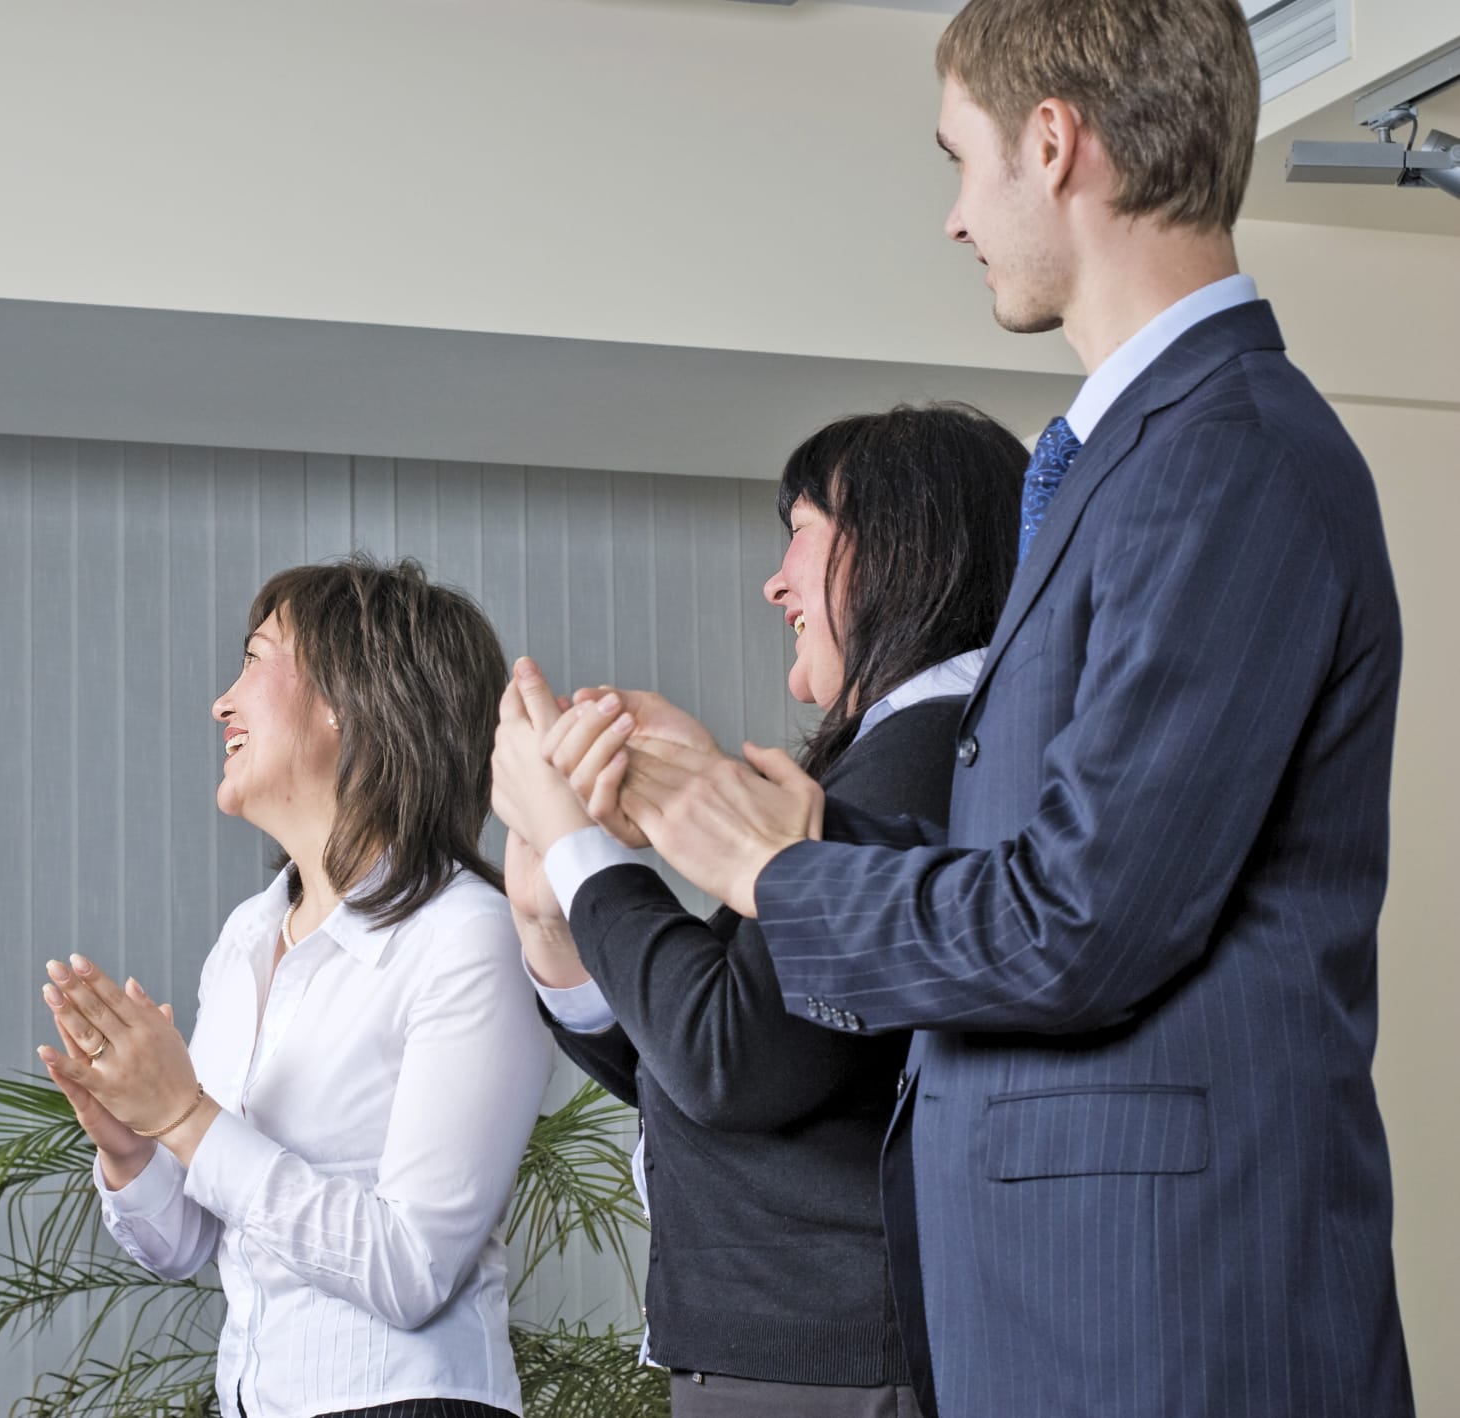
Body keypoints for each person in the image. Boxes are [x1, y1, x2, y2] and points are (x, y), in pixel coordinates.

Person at [546, 1, 1416, 1413]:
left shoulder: (1223, 457)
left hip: (1155, 1310)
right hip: (1065, 1306)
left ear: (1055, 144)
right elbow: (1060, 858)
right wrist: (803, 821)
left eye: (960, 159)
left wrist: (776, 873)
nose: (954, 217)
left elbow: (1082, 922)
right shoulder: (1119, 459)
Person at [491, 404, 1024, 1417]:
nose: (775, 580)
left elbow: (730, 1059)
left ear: (892, 547)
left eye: (803, 532)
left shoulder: (913, 764)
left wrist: (579, 844)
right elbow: (701, 1056)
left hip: (831, 1363)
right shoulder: (901, 759)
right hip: (809, 1356)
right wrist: (554, 915)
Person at [37, 556, 553, 1418]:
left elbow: (413, 1269)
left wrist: (185, 1118)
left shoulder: (469, 932)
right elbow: (191, 1242)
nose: (221, 703)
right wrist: (132, 1146)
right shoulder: (249, 934)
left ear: (350, 702)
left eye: (254, 660)